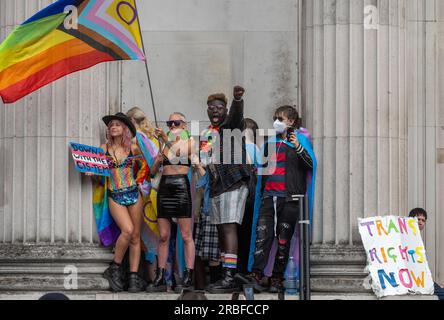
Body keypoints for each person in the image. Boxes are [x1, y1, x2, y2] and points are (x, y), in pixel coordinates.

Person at [237, 105, 315, 293]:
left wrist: (297, 146)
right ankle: (256, 274)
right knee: (262, 236)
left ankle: (277, 278)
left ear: (291, 122)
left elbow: (310, 164)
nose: (277, 122)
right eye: (275, 118)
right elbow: (260, 171)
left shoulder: (302, 141)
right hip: (268, 197)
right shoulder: (269, 143)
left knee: (283, 239)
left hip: (289, 199)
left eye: (281, 119)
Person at [88, 112, 149, 293]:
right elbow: (99, 177)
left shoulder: (133, 148)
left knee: (136, 236)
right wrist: (94, 173)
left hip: (133, 194)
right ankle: (114, 267)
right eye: (111, 125)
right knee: (127, 231)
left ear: (125, 129)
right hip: (115, 195)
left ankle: (133, 277)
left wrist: (139, 183)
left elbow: (145, 167)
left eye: (117, 124)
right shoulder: (102, 148)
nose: (113, 127)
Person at [203, 86, 251, 293]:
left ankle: (230, 276)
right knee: (222, 230)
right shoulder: (207, 134)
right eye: (211, 107)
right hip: (216, 186)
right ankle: (226, 273)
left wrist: (237, 100)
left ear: (226, 111)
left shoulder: (231, 126)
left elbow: (237, 116)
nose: (214, 110)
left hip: (233, 183)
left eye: (219, 108)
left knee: (229, 227)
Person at [146, 112, 196, 292]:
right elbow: (152, 173)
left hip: (181, 186)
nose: (172, 125)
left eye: (176, 122)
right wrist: (158, 160)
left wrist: (165, 140)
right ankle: (160, 275)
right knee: (164, 235)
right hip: (165, 187)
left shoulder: (190, 141)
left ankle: (188, 274)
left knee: (185, 234)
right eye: (169, 123)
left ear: (184, 125)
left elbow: (178, 153)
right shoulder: (164, 145)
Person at [409, 208, 444, 300]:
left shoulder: (418, 240)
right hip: (412, 279)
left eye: (423, 220)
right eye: (418, 219)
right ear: (410, 220)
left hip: (422, 279)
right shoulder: (405, 238)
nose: (420, 222)